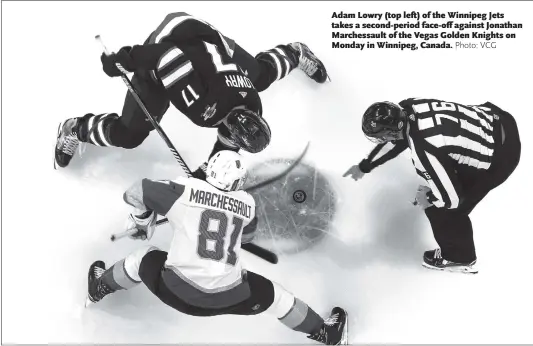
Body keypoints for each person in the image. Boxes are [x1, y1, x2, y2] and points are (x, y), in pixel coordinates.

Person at [86, 151, 348, 345]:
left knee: (141, 257)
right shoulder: (246, 203)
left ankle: (98, 288)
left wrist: (144, 220)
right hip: (230, 296)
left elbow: (135, 191)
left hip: (174, 290)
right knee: (277, 297)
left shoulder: (184, 190)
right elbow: (247, 237)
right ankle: (325, 333)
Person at [54, 12, 329, 179]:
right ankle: (74, 128)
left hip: (203, 37)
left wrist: (209, 175)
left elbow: (227, 144)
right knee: (131, 134)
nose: (231, 140)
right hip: (172, 38)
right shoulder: (201, 104)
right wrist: (126, 60)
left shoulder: (252, 103)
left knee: (259, 76)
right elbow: (165, 56)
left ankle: (295, 52)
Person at [343, 99, 521, 274]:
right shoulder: (408, 106)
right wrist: (365, 165)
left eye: (381, 136)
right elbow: (397, 141)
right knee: (443, 170)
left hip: (503, 156)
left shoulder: (425, 151)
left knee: (440, 210)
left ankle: (460, 258)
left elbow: (452, 199)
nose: (381, 140)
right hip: (498, 119)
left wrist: (427, 198)